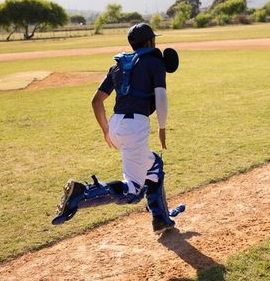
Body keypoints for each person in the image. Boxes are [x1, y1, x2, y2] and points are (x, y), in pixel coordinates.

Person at [51, 23, 183, 234]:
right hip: (135, 127)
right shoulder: (155, 62)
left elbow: (96, 102)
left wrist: (106, 131)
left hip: (115, 124)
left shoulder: (119, 65)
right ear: (150, 42)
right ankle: (82, 194)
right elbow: (161, 96)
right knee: (133, 191)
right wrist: (162, 127)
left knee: (155, 167)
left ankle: (161, 219)